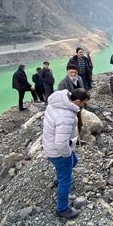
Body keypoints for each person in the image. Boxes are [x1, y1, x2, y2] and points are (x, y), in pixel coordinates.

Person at [43, 89, 90, 218]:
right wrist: (67, 153)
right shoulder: (66, 116)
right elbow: (60, 144)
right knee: (66, 181)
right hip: (58, 151)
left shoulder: (57, 103)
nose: (83, 106)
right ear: (78, 101)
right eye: (83, 103)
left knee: (74, 161)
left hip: (49, 145)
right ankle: (62, 209)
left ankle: (59, 179)